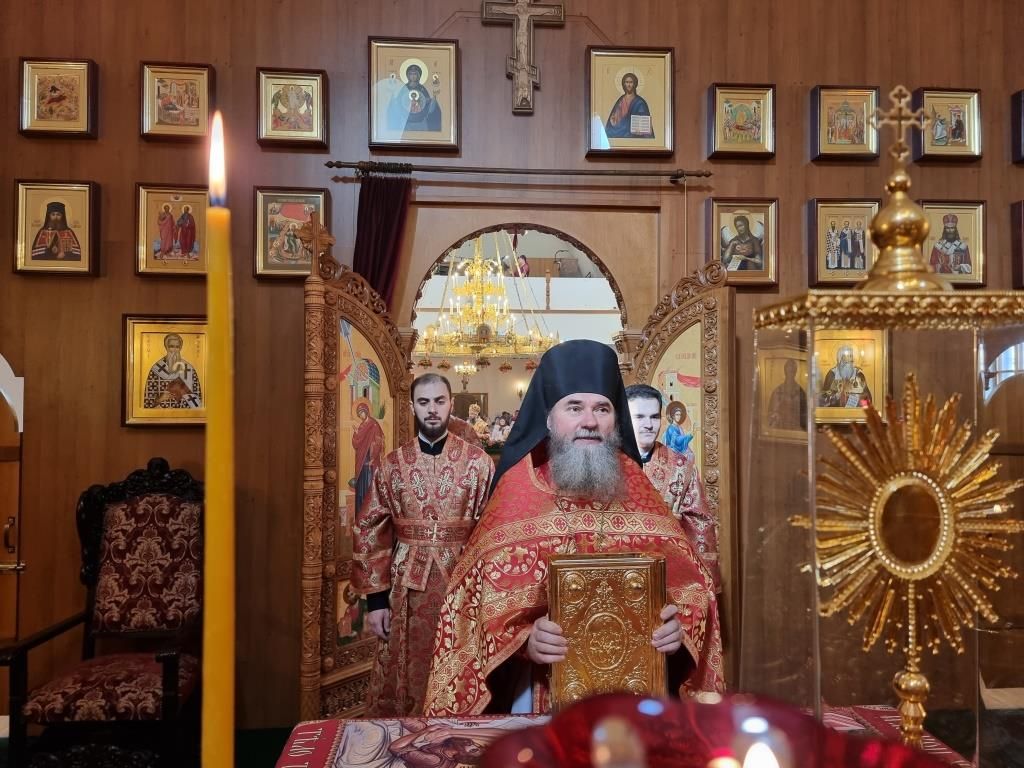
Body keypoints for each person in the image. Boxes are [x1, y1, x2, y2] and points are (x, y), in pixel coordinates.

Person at [423, 340, 723, 717]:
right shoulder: (516, 490)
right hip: (539, 692)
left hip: (636, 694)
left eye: (602, 409)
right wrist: (524, 640)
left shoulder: (641, 491)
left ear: (615, 420)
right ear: (549, 418)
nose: (590, 422)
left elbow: (693, 590)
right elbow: (469, 608)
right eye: (575, 407)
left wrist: (677, 629)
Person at [353, 373, 494, 716]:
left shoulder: (479, 463)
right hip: (405, 588)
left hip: (463, 584)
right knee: (405, 667)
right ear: (413, 407)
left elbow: (492, 532)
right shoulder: (392, 464)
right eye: (424, 402)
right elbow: (370, 529)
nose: (432, 409)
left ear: (451, 404)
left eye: (439, 401)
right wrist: (376, 602)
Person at [625, 384, 720, 591]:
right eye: (639, 417)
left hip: (669, 573)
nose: (648, 425)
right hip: (620, 568)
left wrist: (675, 523)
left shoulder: (681, 466)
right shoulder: (608, 464)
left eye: (654, 417)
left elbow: (701, 524)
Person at [143, 333, 202, 408]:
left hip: (184, 412)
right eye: (171, 346)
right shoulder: (156, 368)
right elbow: (147, 401)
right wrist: (159, 399)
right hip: (161, 412)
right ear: (166, 347)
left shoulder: (188, 368)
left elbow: (198, 398)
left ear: (180, 348)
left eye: (177, 347)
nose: (174, 350)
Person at [351, 400, 386, 519]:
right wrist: (355, 433)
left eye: (362, 412)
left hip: (370, 460)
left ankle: (370, 514)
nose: (361, 415)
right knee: (361, 486)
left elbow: (379, 440)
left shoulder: (374, 424)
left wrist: (373, 456)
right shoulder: (361, 426)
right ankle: (360, 514)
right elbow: (356, 444)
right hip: (361, 460)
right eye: (359, 414)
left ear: (366, 412)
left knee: (370, 485)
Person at [387, 64, 442, 133]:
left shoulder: (422, 88)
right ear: (408, 76)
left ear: (419, 76)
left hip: (420, 119)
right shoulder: (404, 88)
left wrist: (430, 100)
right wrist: (395, 100)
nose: (413, 76)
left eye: (415, 74)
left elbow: (426, 101)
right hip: (407, 120)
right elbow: (399, 101)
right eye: (411, 74)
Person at [605, 72, 654, 139]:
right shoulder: (620, 100)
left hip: (633, 134)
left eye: (631, 82)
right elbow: (614, 120)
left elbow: (645, 124)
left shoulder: (640, 102)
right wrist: (613, 123)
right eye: (627, 82)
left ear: (635, 84)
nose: (628, 85)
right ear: (624, 84)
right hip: (619, 132)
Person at [766, 359, 807, 431]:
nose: (790, 374)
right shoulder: (777, 392)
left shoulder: (801, 393)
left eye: (792, 371)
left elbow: (805, 417)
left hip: (796, 431)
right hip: (780, 430)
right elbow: (771, 416)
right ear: (785, 372)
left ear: (795, 372)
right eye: (788, 371)